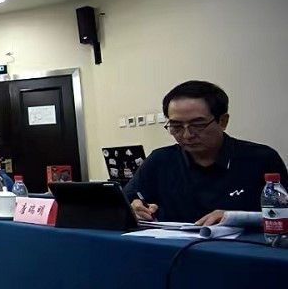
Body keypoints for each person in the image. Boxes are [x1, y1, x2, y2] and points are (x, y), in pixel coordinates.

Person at [123, 80, 287, 225]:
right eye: (176, 127)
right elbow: (126, 200)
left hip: (244, 247)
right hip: (173, 247)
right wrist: (135, 208)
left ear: (223, 121)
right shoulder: (160, 160)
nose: (187, 135)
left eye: (198, 125)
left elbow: (284, 213)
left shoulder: (261, 159)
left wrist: (235, 218)